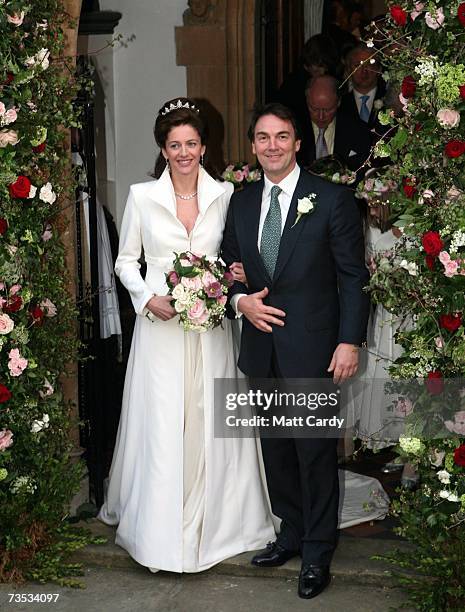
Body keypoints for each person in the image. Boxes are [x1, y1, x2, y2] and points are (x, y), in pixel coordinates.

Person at [98, 97, 275, 573]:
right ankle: (160, 529)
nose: (184, 152)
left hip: (212, 326)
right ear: (163, 147)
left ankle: (220, 522)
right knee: (164, 420)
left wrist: (231, 272)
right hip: (162, 328)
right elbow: (123, 262)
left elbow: (229, 256)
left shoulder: (224, 195)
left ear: (203, 145)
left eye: (191, 143)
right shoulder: (141, 196)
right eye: (174, 144)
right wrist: (145, 298)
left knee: (210, 414)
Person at [221, 103, 369, 599]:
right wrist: (241, 302)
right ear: (253, 146)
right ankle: (290, 533)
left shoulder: (330, 199)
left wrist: (349, 341)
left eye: (281, 136)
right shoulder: (240, 203)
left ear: (298, 142)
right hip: (260, 351)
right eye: (262, 138)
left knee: (314, 454)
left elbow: (353, 277)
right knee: (276, 452)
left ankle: (318, 549)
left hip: (315, 350)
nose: (272, 146)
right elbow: (227, 266)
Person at [300, 75, 371, 176]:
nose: (321, 116)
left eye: (328, 110)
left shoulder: (358, 130)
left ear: (338, 102)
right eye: (314, 109)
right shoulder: (294, 129)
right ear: (307, 101)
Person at [340, 43, 386, 129]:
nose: (364, 71)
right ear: (348, 69)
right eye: (358, 65)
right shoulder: (339, 103)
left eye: (370, 64)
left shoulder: (390, 100)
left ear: (379, 68)